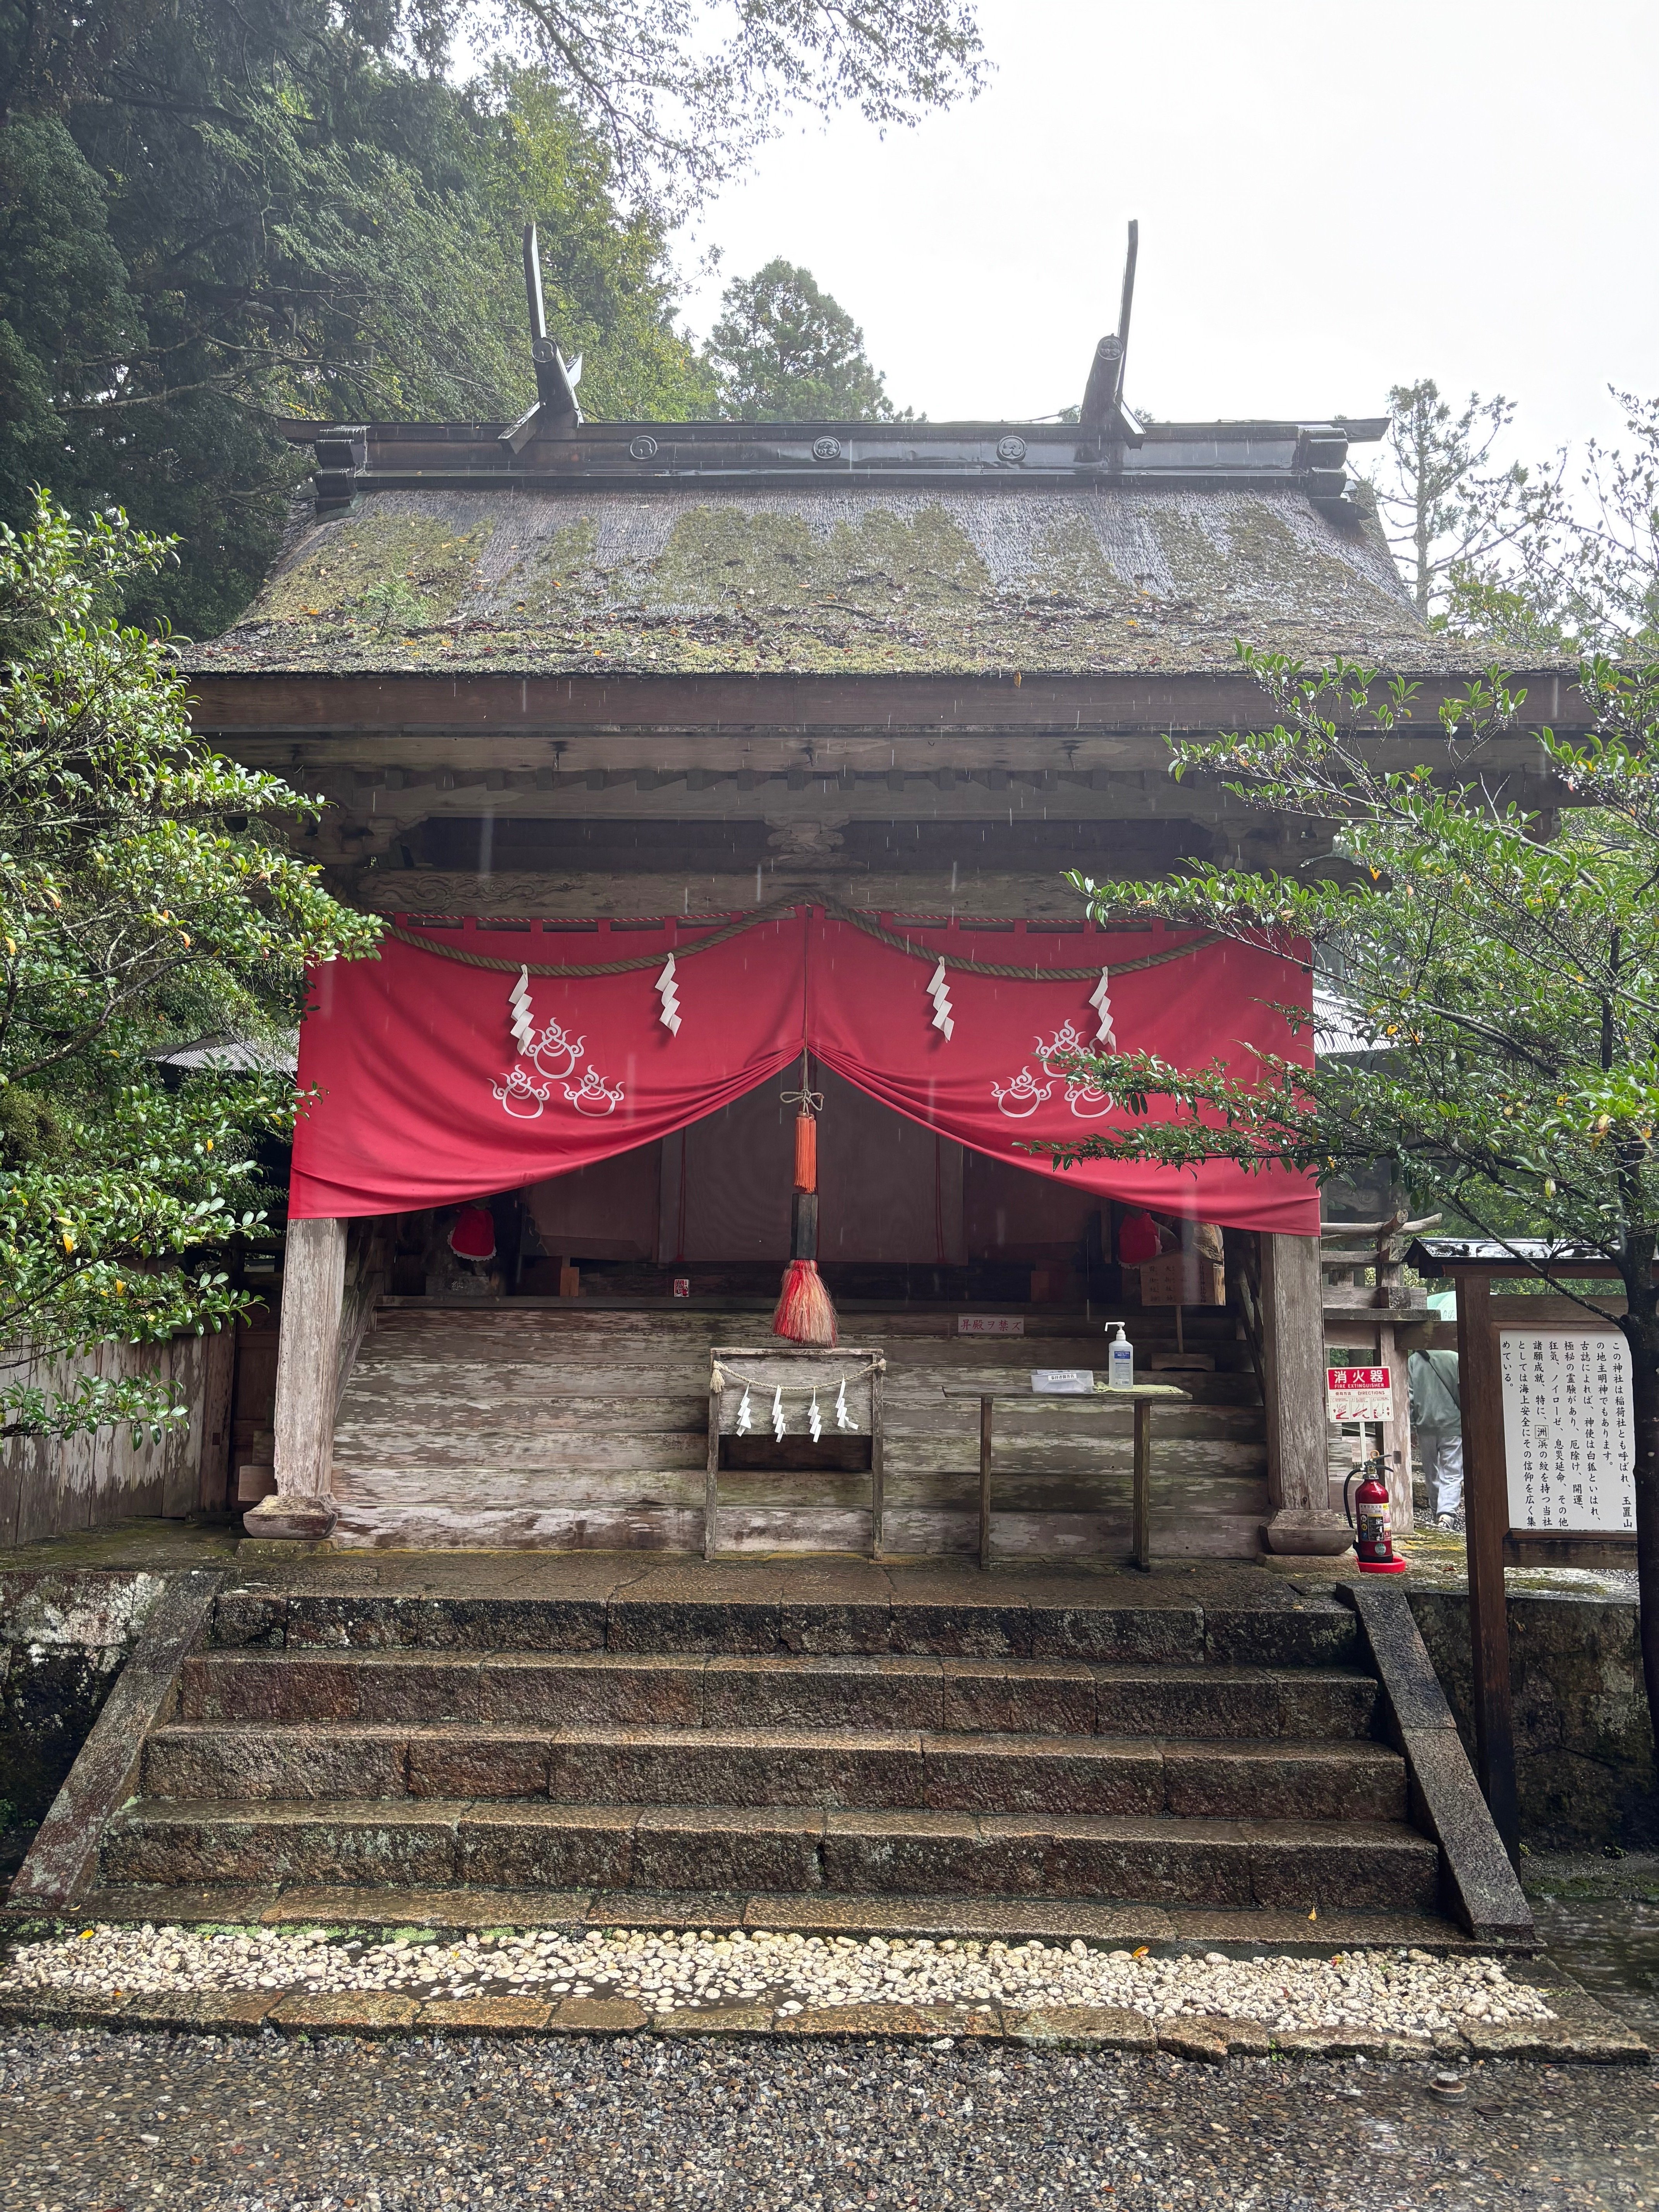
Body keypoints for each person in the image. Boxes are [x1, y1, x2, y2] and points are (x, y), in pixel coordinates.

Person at [1408, 1331, 1463, 1529]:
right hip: (1453, 1424)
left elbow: (1410, 1397)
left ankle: (1436, 1511)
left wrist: (1412, 1426)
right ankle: (1446, 1513)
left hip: (1426, 1426)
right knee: (1452, 1471)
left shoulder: (1414, 1360)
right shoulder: (1456, 1358)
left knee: (1431, 1471)